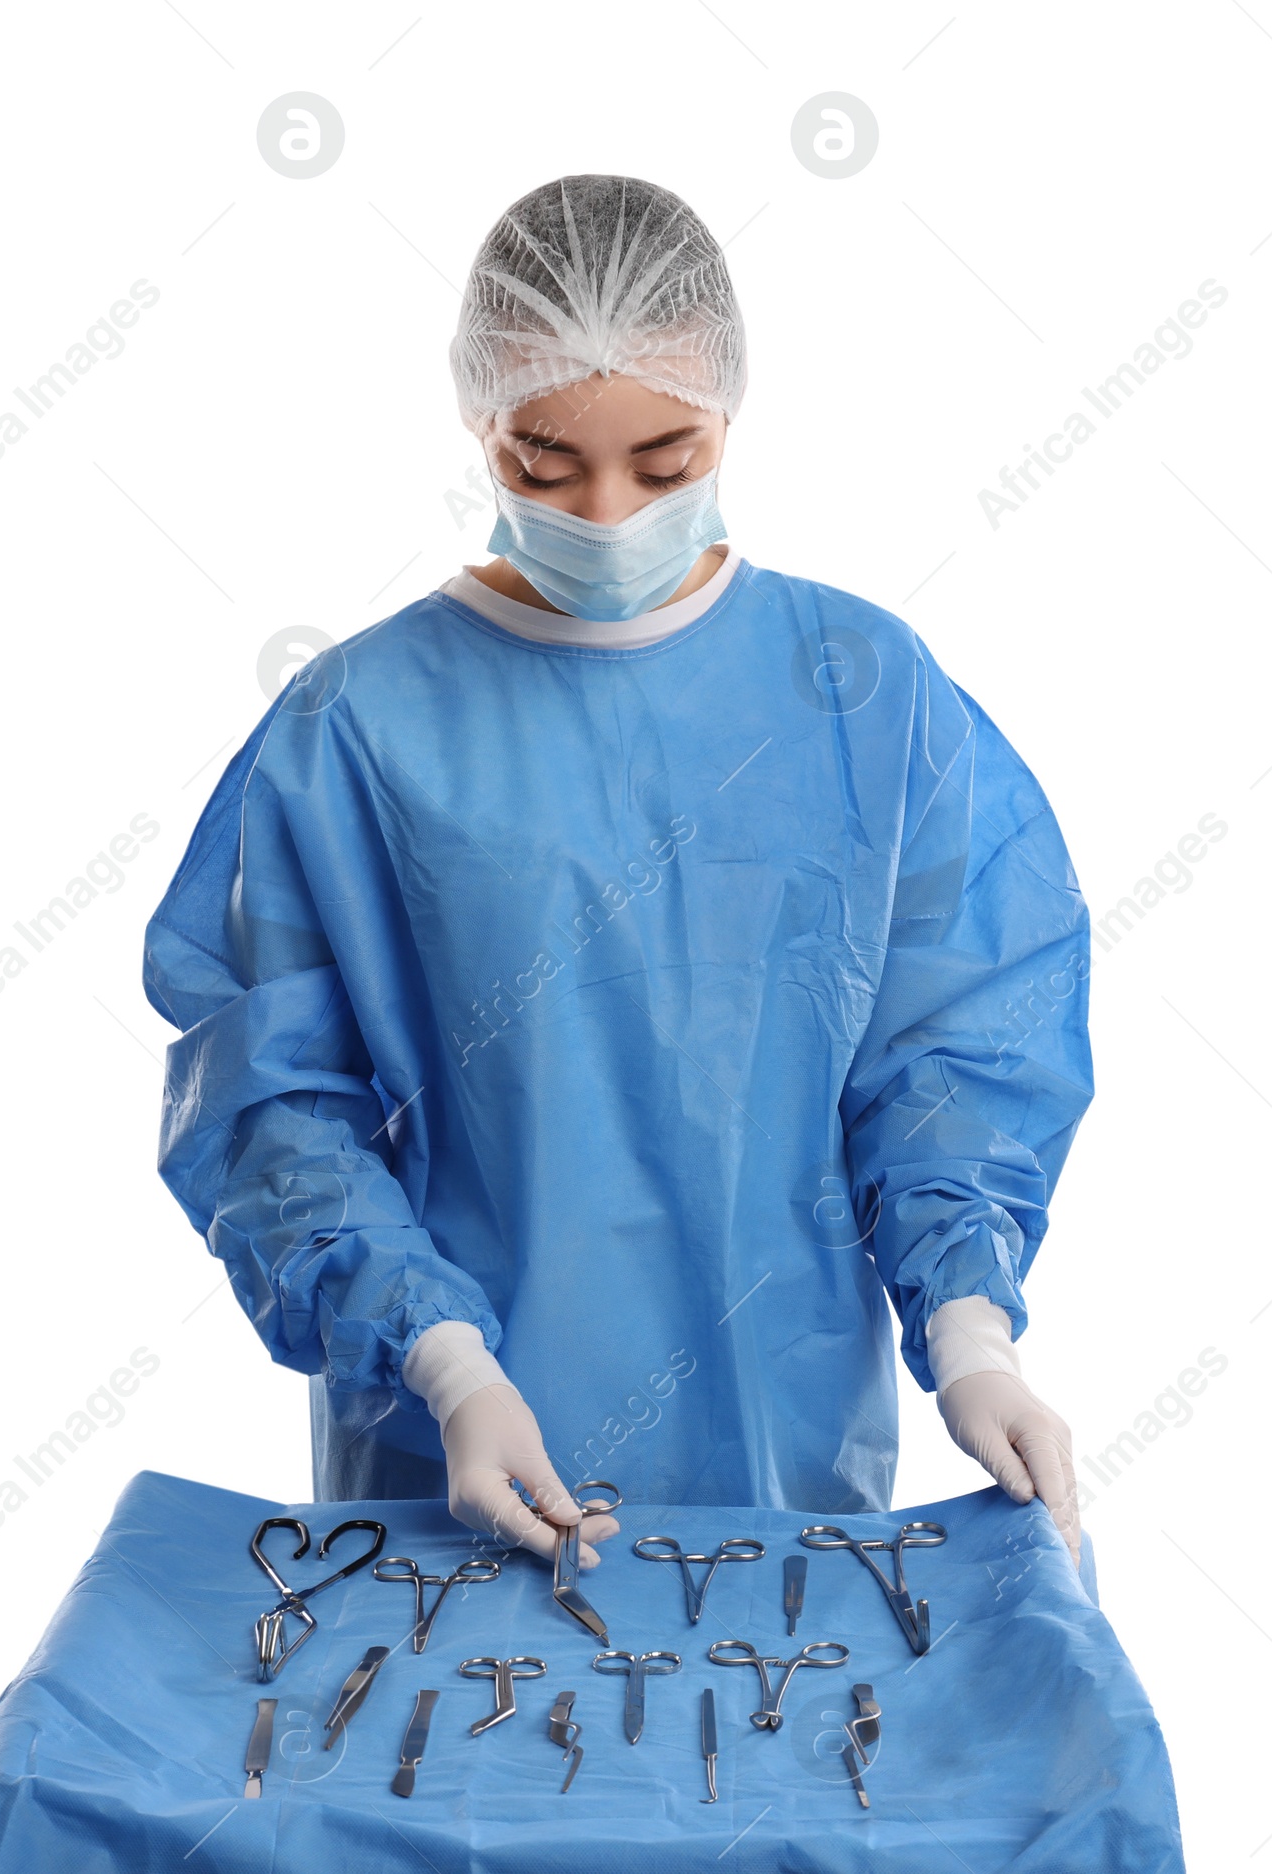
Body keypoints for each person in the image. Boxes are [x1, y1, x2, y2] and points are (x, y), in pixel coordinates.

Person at [144, 174, 1093, 1574]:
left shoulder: (862, 691)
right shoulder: (355, 723)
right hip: (445, 1461)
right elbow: (272, 1099)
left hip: (782, 1453)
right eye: (543, 460)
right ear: (480, 418)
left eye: (663, 458)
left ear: (731, 412)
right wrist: (449, 1361)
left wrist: (971, 1340)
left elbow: (957, 1050)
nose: (604, 509)